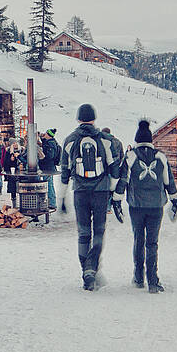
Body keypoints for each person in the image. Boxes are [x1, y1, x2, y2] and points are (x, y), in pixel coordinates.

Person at [58, 104, 120, 291]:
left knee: (83, 233)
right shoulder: (105, 140)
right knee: (99, 231)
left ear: (78, 119)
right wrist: (112, 191)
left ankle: (86, 272)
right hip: (100, 191)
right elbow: (114, 170)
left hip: (80, 191)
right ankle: (91, 267)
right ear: (94, 119)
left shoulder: (70, 140)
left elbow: (65, 172)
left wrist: (61, 198)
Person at [113, 118, 177, 293]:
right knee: (152, 242)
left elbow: (123, 181)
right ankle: (153, 281)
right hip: (156, 206)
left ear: (136, 140)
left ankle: (138, 277)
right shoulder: (161, 157)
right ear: (151, 141)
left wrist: (117, 200)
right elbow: (168, 182)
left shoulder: (130, 157)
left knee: (138, 240)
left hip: (136, 205)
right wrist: (175, 200)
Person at [101, 127, 124, 217]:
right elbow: (121, 155)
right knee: (112, 188)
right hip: (115, 169)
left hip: (104, 169)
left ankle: (104, 207)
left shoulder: (101, 142)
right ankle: (109, 207)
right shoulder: (118, 142)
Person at [39, 128, 60, 209]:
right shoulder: (49, 142)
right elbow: (45, 143)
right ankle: (51, 202)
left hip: (48, 168)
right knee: (48, 184)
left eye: (46, 134)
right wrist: (41, 138)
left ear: (49, 135)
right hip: (47, 167)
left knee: (49, 185)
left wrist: (42, 157)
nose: (44, 134)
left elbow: (50, 156)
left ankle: (52, 203)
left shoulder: (51, 144)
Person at [2, 141, 21, 208]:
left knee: (21, 190)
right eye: (13, 143)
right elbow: (5, 163)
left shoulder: (21, 150)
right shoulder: (8, 152)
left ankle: (21, 204)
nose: (15, 144)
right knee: (13, 190)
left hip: (21, 173)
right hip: (12, 174)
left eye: (16, 142)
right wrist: (10, 160)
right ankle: (14, 206)